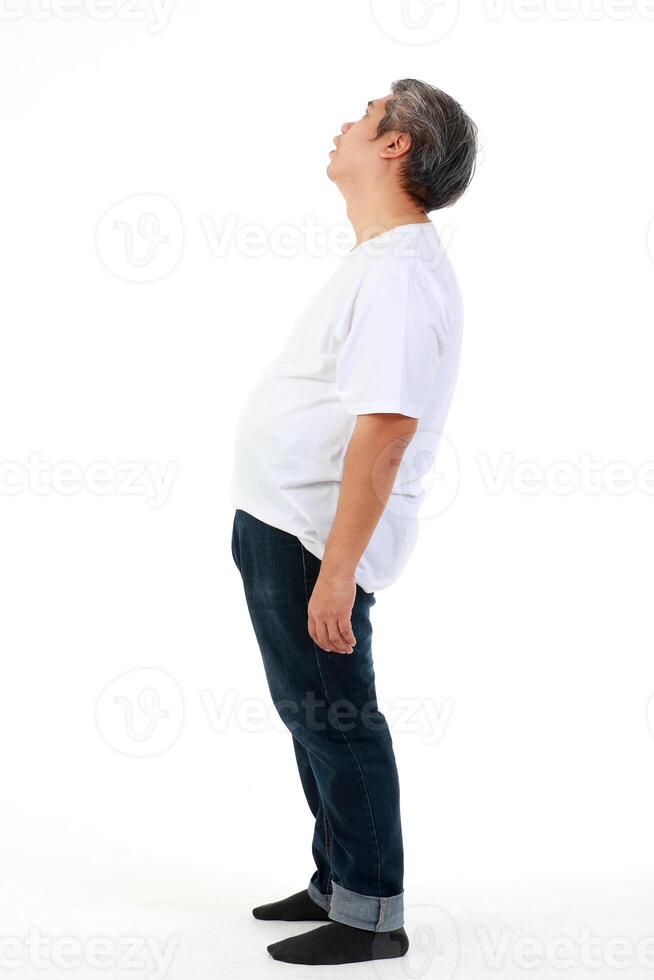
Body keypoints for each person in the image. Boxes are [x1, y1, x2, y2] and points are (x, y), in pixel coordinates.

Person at [230, 77, 477, 966]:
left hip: (312, 538)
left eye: (364, 116)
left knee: (338, 716)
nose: (344, 123)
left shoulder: (403, 273)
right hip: (286, 522)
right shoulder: (382, 260)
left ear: (395, 146)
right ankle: (337, 876)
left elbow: (385, 431)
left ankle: (373, 914)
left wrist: (339, 570)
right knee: (309, 711)